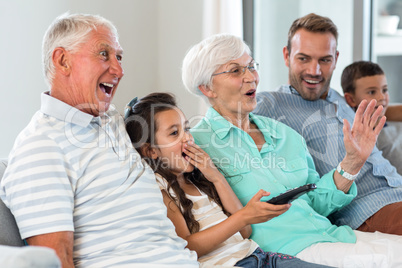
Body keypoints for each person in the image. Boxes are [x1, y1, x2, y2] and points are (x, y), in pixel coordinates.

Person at [182, 33, 402, 267]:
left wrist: (353, 162)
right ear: (206, 88)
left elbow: (315, 203)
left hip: (333, 236)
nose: (251, 77)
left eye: (251, 66)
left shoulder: (284, 134)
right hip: (287, 251)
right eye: (235, 71)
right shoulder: (197, 145)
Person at [0, 13, 199, 268]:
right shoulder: (40, 148)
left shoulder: (110, 119)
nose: (119, 70)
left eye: (119, 56)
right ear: (63, 61)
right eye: (103, 54)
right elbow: (55, 262)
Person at [124, 92, 330, 268]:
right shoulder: (160, 190)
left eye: (186, 129)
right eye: (174, 133)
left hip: (260, 257)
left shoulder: (201, 181)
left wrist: (216, 177)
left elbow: (245, 231)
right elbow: (188, 246)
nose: (187, 138)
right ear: (151, 150)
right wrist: (242, 217)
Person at [253, 13, 402, 236]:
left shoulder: (338, 98)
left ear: (335, 58)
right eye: (304, 58)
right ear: (287, 55)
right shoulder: (269, 104)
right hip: (368, 210)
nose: (315, 71)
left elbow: (378, 108)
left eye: (325, 60)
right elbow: (224, 116)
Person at [341, 60, 402, 175]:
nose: (381, 96)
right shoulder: (363, 138)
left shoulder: (393, 120)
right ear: (351, 99)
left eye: (384, 90)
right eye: (371, 92)